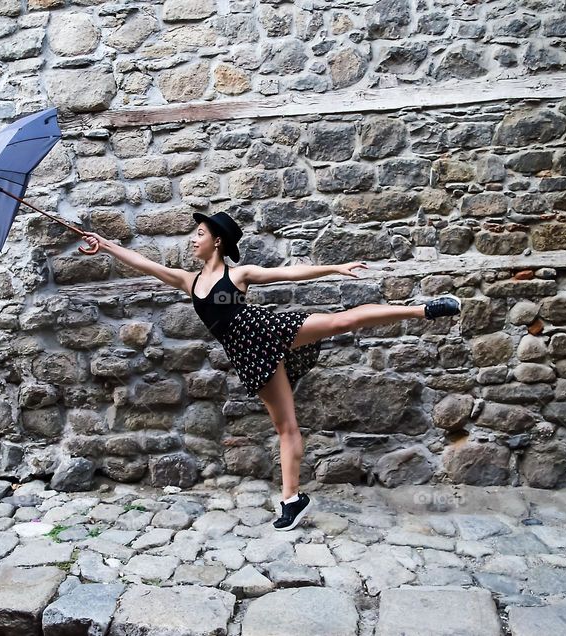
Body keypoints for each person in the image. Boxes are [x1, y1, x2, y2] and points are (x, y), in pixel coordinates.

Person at [81, 211, 460, 531]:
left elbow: (290, 274)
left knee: (340, 322)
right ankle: (292, 500)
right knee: (286, 427)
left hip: (265, 330)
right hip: (250, 356)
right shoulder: (189, 281)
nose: (191, 240)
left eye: (199, 234)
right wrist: (105, 244)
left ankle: (424, 310)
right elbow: (143, 264)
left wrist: (335, 267)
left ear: (217, 242)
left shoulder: (239, 274)